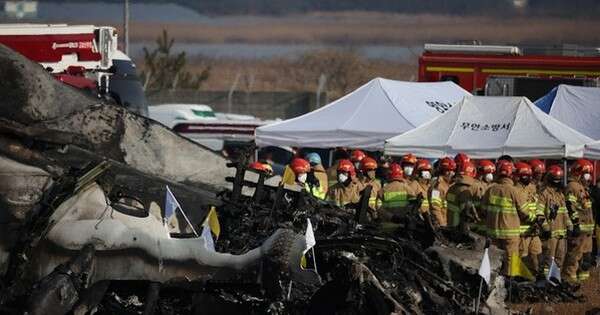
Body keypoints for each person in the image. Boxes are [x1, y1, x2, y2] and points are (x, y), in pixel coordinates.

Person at [483, 160, 539, 275]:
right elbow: (524, 212)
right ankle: (510, 284)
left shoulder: (490, 190)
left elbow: (483, 210)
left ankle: (493, 281)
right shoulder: (514, 191)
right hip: (510, 234)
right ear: (511, 174)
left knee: (494, 260)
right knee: (511, 261)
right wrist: (534, 219)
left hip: (492, 232)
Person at [564, 159, 595, 283]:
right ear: (579, 173)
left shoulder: (582, 187)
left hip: (586, 231)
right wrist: (575, 224)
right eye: (587, 174)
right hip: (580, 230)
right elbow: (569, 206)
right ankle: (569, 280)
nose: (588, 178)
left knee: (585, 258)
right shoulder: (573, 186)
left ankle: (583, 283)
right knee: (574, 257)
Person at [538, 165, 569, 276]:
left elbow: (564, 211)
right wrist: (546, 228)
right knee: (548, 260)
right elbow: (539, 213)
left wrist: (570, 225)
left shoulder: (560, 194)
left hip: (561, 233)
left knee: (560, 258)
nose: (557, 182)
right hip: (550, 234)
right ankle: (546, 282)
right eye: (555, 179)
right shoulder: (544, 193)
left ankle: (555, 281)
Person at [514, 161, 545, 275]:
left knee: (537, 256)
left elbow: (536, 204)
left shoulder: (532, 188)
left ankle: (537, 280)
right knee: (522, 258)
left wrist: (539, 217)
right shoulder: (516, 190)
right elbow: (521, 211)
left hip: (534, 230)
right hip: (522, 232)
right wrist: (534, 219)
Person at [447, 161, 485, 231]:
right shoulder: (472, 188)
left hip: (451, 226)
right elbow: (467, 212)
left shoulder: (451, 188)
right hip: (464, 229)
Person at [428, 157, 456, 227]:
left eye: (452, 170)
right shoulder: (437, 186)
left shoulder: (452, 184)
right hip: (443, 224)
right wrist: (442, 224)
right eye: (448, 170)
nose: (451, 173)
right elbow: (435, 207)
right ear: (442, 171)